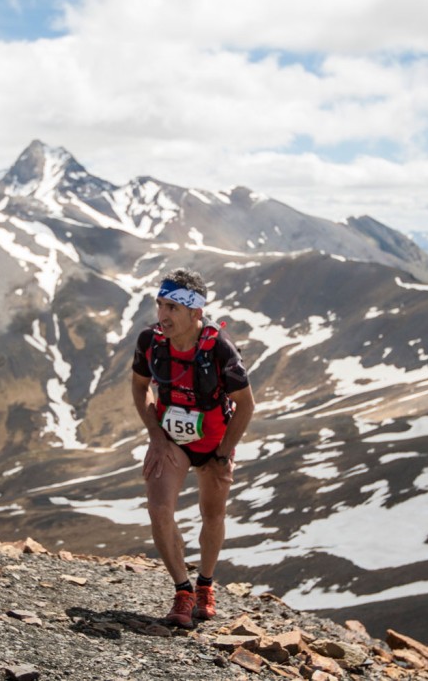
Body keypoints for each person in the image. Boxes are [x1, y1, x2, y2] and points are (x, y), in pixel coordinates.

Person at [130, 268, 255, 628]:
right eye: (160, 305)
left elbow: (246, 405)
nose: (163, 315)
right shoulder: (150, 342)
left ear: (195, 313)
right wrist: (155, 435)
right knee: (159, 509)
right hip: (170, 440)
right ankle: (182, 590)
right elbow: (140, 388)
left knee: (212, 515)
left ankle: (205, 586)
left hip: (215, 442)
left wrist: (222, 454)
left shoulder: (219, 349)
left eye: (172, 307)